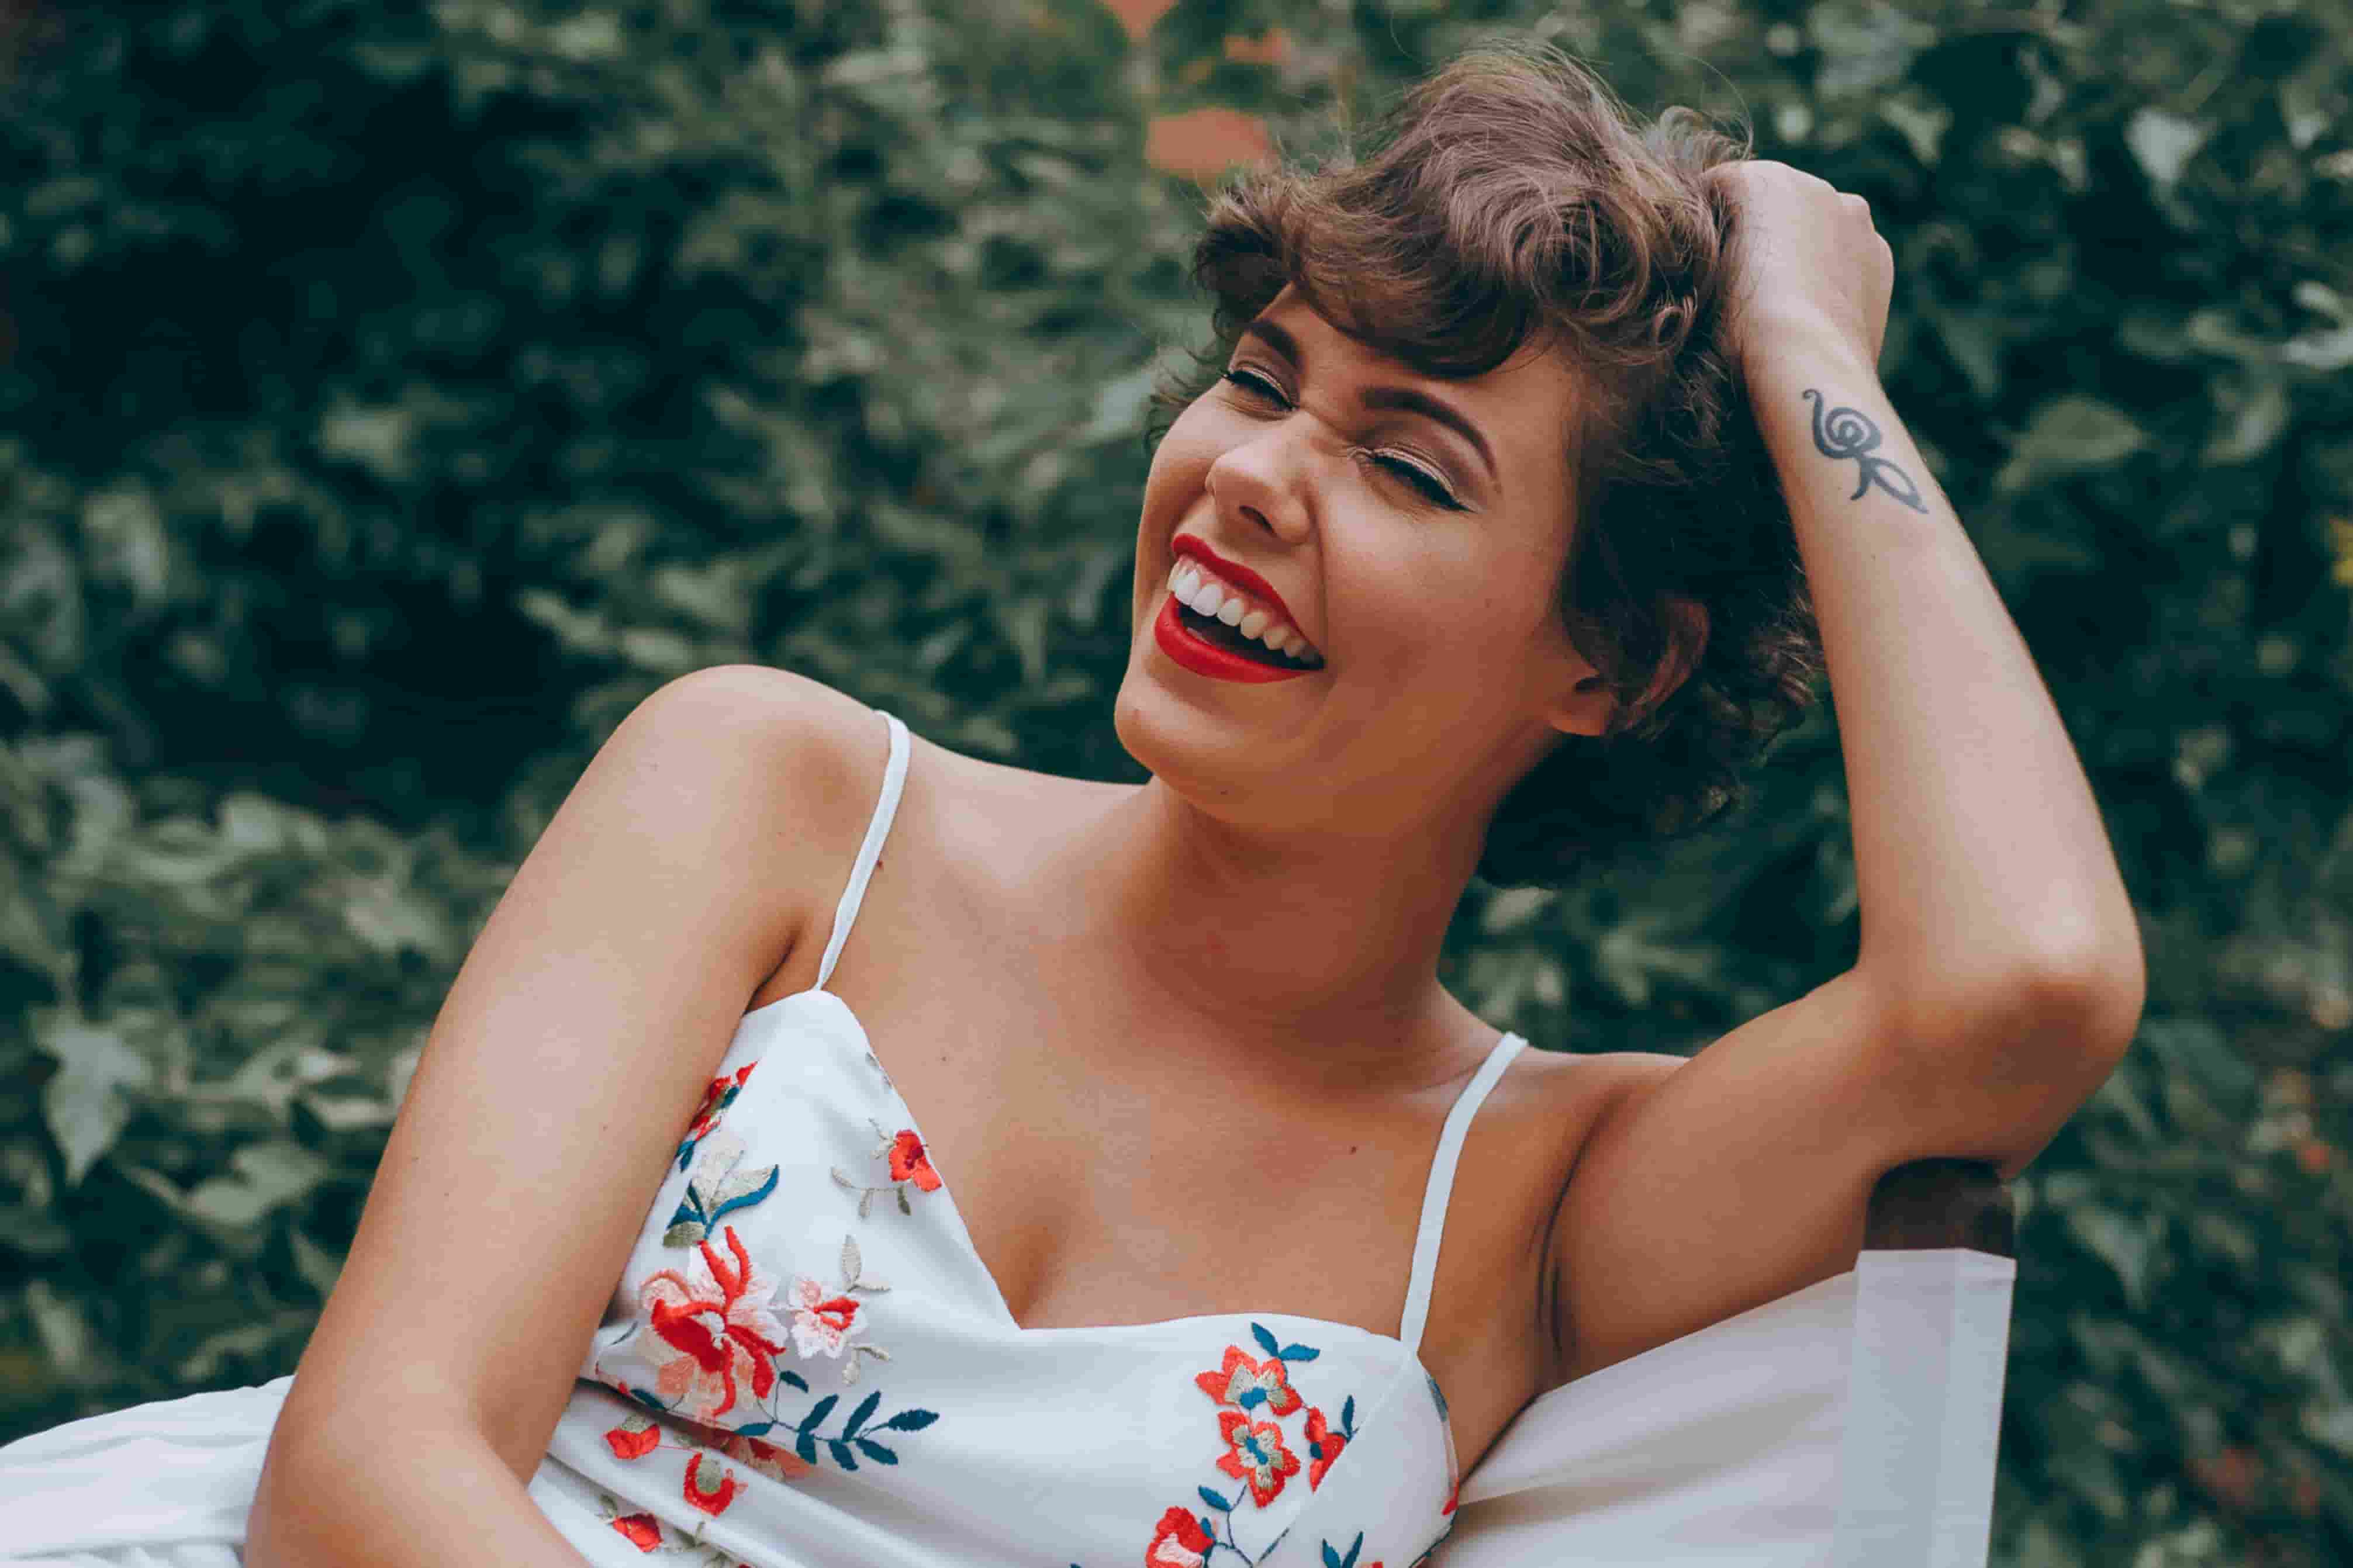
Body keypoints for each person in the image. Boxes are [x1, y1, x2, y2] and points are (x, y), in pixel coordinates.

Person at [0, 35, 2143, 1568]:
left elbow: (2026, 984)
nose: (1252, 481)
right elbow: (366, 1472)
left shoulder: (1535, 1209)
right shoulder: (775, 794)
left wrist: (1812, 362)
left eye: (1407, 467)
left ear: (1615, 661)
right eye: (1260, 376)